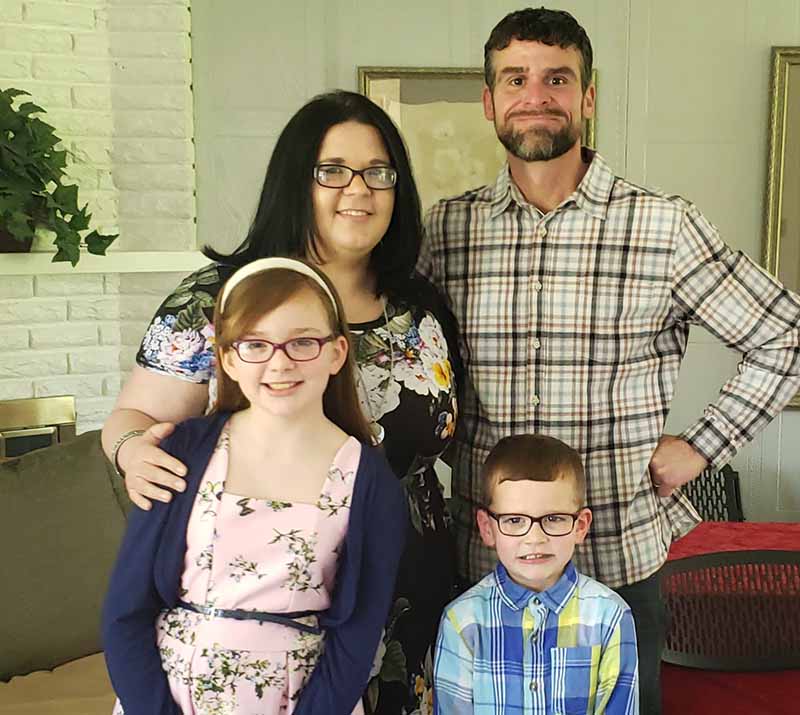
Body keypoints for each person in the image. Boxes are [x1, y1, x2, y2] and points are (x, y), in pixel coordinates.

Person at [418, 7, 800, 714]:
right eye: (516, 78)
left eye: (557, 78)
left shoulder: (664, 227)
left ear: (588, 99)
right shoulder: (447, 230)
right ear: (489, 101)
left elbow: (787, 334)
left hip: (617, 561)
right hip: (483, 566)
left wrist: (703, 444)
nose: (536, 95)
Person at [101, 91, 460, 714]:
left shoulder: (418, 308)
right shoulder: (220, 300)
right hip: (260, 601)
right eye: (332, 171)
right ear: (296, 181)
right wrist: (134, 452)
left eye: (378, 172)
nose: (359, 190)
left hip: (402, 594)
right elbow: (133, 422)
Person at [102, 258, 407, 714]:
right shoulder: (183, 452)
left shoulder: (370, 481)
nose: (279, 363)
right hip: (169, 698)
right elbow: (126, 609)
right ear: (227, 358)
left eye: (302, 342)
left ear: (336, 352)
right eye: (255, 345)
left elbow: (358, 633)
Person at [433, 434, 639, 714]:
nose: (534, 537)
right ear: (487, 528)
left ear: (580, 525)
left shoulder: (610, 617)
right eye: (515, 520)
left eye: (553, 519)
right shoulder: (462, 621)